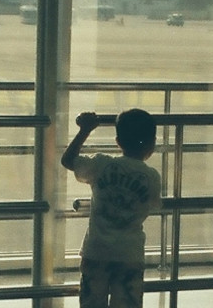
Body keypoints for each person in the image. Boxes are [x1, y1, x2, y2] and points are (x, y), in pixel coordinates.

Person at [62, 109, 163, 308]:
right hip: (129, 254)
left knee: (91, 303)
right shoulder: (151, 177)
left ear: (118, 141)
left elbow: (68, 160)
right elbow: (153, 204)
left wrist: (85, 130)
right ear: (152, 144)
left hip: (96, 251)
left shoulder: (101, 165)